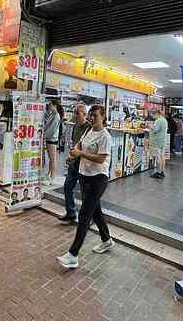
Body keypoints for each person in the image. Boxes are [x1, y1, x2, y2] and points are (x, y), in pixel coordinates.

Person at [57, 105, 113, 269]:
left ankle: (73, 255)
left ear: (103, 117)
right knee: (96, 211)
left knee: (84, 214)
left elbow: (101, 159)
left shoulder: (105, 136)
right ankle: (106, 240)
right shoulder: (89, 131)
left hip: (98, 178)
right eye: (91, 115)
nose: (92, 118)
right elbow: (80, 146)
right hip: (84, 175)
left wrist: (80, 154)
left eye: (95, 115)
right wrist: (74, 153)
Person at [59, 104, 91, 224]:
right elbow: (74, 143)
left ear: (84, 114)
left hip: (84, 164)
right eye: (74, 112)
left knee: (86, 193)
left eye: (78, 113)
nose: (75, 115)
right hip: (74, 163)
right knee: (67, 187)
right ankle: (71, 213)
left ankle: (89, 217)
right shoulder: (75, 127)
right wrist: (71, 156)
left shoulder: (90, 128)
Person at [43, 100, 61, 184]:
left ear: (55, 105)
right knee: (51, 158)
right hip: (49, 138)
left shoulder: (56, 116)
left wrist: (43, 136)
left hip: (52, 139)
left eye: (50, 105)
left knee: (53, 159)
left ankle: (52, 177)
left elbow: (51, 129)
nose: (49, 106)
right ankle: (49, 174)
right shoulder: (52, 114)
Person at [147, 109, 168, 179]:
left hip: (156, 142)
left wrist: (150, 126)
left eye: (153, 115)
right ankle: (162, 172)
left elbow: (155, 129)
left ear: (157, 114)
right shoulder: (164, 120)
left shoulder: (158, 120)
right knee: (162, 157)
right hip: (162, 141)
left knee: (157, 157)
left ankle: (159, 172)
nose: (153, 117)